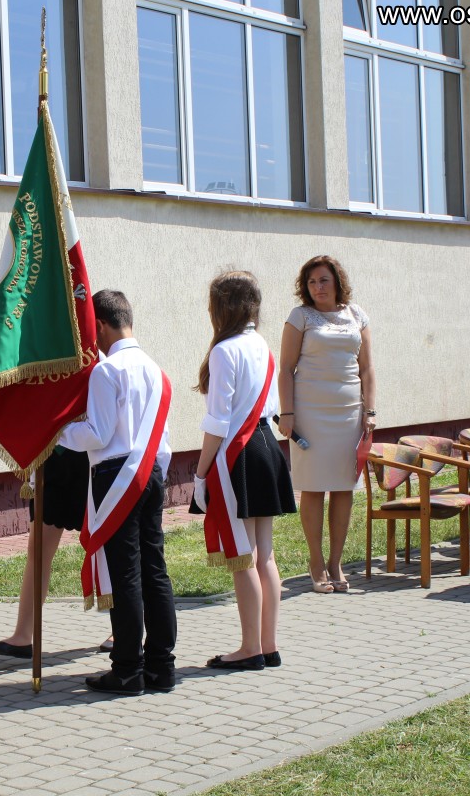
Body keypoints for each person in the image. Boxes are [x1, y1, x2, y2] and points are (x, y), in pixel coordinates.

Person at [60, 290, 177, 696]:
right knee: (154, 569)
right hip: (151, 471)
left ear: (102, 325)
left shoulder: (106, 371)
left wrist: (59, 432)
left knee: (125, 573)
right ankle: (161, 665)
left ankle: (127, 668)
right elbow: (163, 442)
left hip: (116, 474)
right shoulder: (157, 370)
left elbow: (98, 433)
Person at [192, 272, 296, 670]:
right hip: (267, 447)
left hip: (239, 453)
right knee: (264, 555)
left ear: (222, 307)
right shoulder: (261, 345)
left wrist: (200, 474)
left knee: (243, 557)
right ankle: (268, 646)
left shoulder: (225, 350)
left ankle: (250, 648)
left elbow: (218, 422)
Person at [278, 255, 375, 593]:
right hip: (309, 414)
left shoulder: (357, 315)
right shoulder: (300, 316)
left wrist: (370, 412)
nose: (317, 287)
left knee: (344, 487)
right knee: (314, 487)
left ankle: (336, 562)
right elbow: (285, 368)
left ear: (337, 282)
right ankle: (316, 562)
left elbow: (367, 369)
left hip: (349, 413)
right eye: (311, 282)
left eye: (323, 280)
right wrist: (287, 413)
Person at [0, 444, 113, 659]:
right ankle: (23, 636)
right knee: (38, 551)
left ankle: (125, 630)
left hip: (94, 461)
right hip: (52, 461)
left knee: (111, 551)